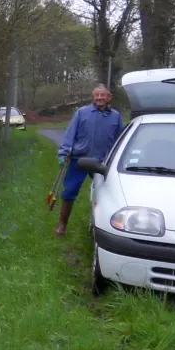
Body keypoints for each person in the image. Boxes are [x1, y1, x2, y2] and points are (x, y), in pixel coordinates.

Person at [56, 84, 124, 236]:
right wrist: (63, 154)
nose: (99, 98)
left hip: (102, 162)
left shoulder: (116, 116)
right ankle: (62, 226)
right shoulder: (82, 113)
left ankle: (98, 225)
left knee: (104, 194)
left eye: (103, 95)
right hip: (78, 160)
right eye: (97, 95)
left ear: (109, 98)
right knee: (69, 192)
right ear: (93, 97)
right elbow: (69, 134)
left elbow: (120, 139)